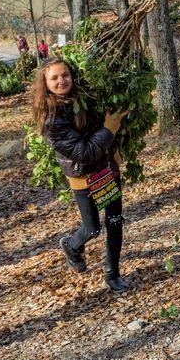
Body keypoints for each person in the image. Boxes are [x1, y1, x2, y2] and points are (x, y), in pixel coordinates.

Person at [32, 58, 130, 292]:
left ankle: (112, 273)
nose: (61, 81)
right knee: (93, 228)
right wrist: (110, 129)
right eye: (54, 78)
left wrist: (113, 148)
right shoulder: (51, 121)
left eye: (65, 75)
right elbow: (84, 153)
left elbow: (99, 129)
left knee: (115, 221)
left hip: (105, 171)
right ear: (45, 83)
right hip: (83, 177)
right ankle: (71, 245)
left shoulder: (85, 99)